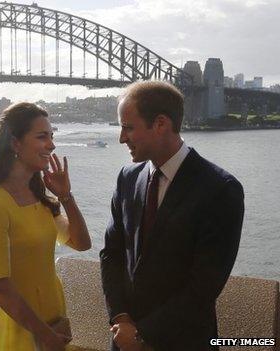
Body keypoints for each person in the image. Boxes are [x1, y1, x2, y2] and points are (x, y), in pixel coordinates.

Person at [100, 81, 244, 351]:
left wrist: (142, 334)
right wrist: (120, 318)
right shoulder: (127, 179)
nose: (121, 138)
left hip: (183, 342)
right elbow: (111, 254)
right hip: (124, 339)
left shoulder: (220, 189)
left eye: (128, 127)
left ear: (161, 124)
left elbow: (204, 285)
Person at [0, 102, 92, 351]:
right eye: (42, 136)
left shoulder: (40, 197)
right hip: (26, 328)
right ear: (15, 143)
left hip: (53, 320)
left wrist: (66, 197)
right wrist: (45, 335)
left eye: (51, 136)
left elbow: (81, 243)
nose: (51, 144)